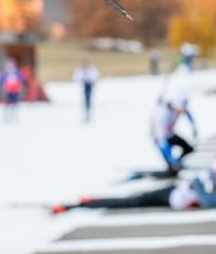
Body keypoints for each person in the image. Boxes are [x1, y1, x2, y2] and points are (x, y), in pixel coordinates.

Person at [52, 169, 216, 213]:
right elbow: (199, 180)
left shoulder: (210, 190)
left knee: (129, 202)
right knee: (129, 200)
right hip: (171, 193)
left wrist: (199, 185)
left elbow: (208, 201)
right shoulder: (209, 180)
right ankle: (88, 202)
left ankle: (88, 202)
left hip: (172, 198)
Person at [150, 91, 198, 176]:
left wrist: (193, 128)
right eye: (180, 110)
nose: (181, 113)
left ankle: (177, 164)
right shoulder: (162, 115)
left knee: (189, 149)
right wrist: (171, 159)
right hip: (160, 138)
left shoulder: (177, 107)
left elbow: (187, 113)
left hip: (170, 135)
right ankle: (172, 168)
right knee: (172, 165)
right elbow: (161, 141)